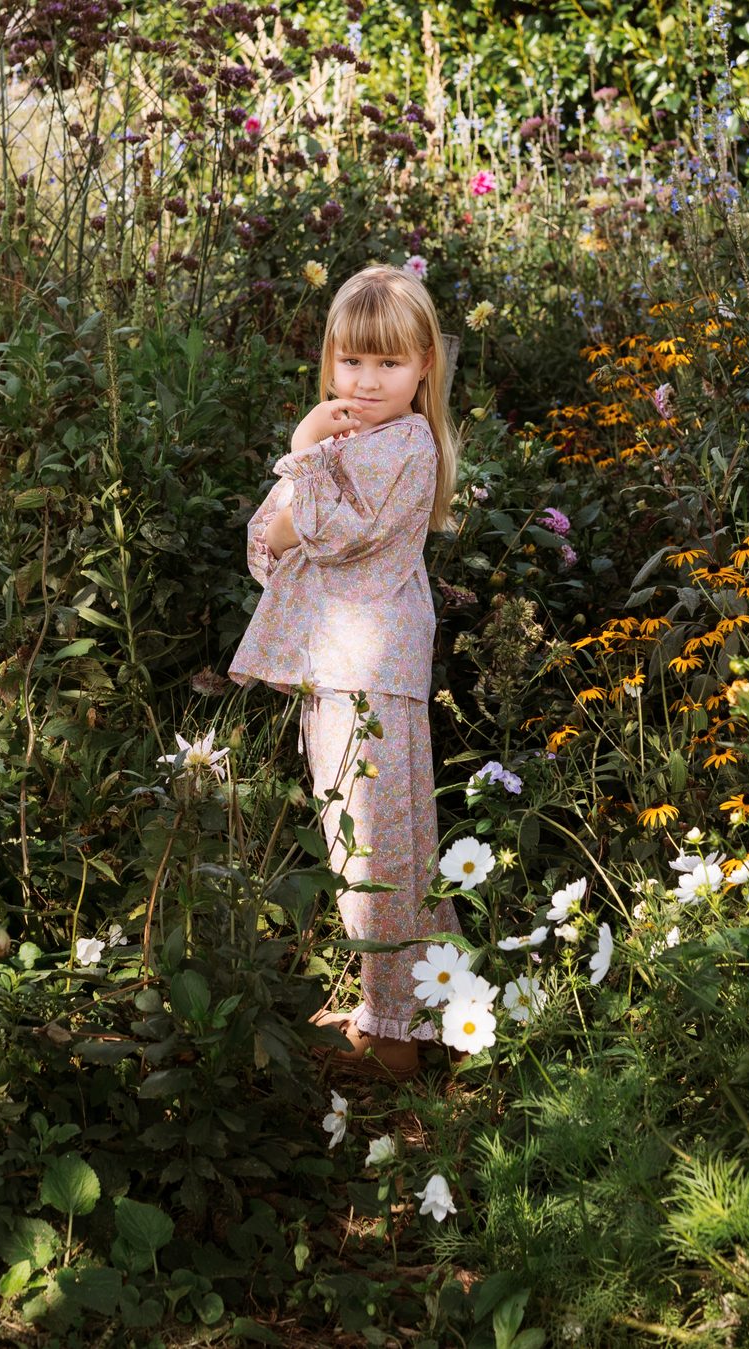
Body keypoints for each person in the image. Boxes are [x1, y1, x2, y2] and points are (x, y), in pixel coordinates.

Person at [228, 264, 461, 1080]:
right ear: (329, 359)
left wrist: (302, 456)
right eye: (351, 360)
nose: (365, 381)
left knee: (376, 856)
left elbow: (322, 532)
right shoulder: (349, 444)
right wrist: (309, 481)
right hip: (340, 669)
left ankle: (393, 1035)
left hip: (368, 672)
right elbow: (267, 541)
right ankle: (430, 1006)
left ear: (423, 364)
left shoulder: (404, 445)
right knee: (375, 842)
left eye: (387, 363)